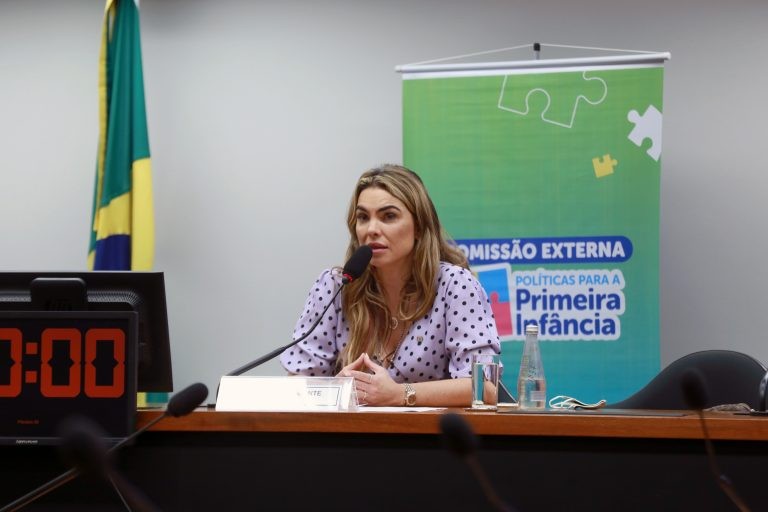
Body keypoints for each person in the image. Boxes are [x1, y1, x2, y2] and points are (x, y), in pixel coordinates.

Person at [279, 164, 500, 406]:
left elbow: (485, 388)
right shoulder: (335, 287)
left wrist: (399, 394)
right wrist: (336, 390)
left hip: (431, 430)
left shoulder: (455, 286)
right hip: (351, 429)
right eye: (363, 217)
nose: (372, 229)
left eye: (389, 216)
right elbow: (298, 382)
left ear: (419, 226)